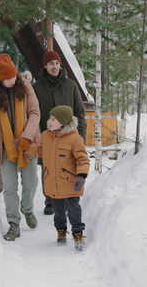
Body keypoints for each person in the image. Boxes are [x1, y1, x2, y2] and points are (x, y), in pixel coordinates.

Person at [0, 53, 40, 241]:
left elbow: (35, 112)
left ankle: (27, 209)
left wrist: (27, 137)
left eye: (13, 76)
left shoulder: (26, 86)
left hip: (28, 145)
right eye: (6, 79)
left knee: (30, 182)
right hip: (6, 148)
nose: (11, 81)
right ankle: (14, 223)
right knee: (10, 187)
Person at [33, 50, 86, 215]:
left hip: (69, 136)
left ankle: (69, 198)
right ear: (45, 66)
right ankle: (49, 200)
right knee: (48, 168)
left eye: (56, 63)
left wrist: (81, 136)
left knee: (67, 166)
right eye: (50, 64)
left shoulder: (70, 86)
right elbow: (33, 112)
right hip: (47, 135)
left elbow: (80, 112)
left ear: (60, 65)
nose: (54, 67)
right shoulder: (37, 87)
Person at [39, 105, 90, 251]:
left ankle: (78, 233)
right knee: (58, 212)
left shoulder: (75, 139)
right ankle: (61, 231)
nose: (50, 121)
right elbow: (40, 151)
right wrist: (28, 150)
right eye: (50, 118)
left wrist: (81, 175)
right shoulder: (46, 136)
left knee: (74, 210)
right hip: (53, 183)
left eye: (54, 119)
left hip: (71, 183)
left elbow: (83, 160)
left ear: (63, 121)